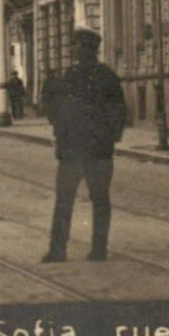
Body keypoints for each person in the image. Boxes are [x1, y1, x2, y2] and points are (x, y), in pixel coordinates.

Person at [43, 28, 127, 263]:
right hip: (72, 150)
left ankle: (98, 249)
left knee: (98, 199)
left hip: (96, 150)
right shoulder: (69, 76)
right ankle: (58, 250)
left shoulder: (105, 77)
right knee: (65, 201)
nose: (73, 50)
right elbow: (56, 108)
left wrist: (108, 138)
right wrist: (59, 131)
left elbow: (119, 111)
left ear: (89, 49)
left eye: (77, 46)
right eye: (74, 45)